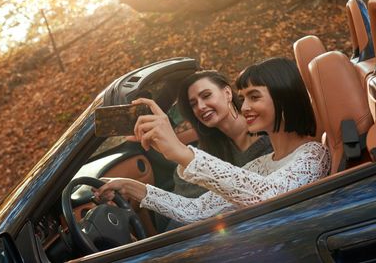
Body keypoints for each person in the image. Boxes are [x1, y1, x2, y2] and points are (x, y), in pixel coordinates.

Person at [95, 57, 331, 224]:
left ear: (283, 97)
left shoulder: (314, 154)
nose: (245, 107)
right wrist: (130, 187)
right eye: (243, 98)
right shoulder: (261, 164)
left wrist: (180, 151)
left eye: (254, 97)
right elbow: (196, 209)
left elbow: (266, 197)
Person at [170, 70, 272, 199]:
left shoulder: (267, 135)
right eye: (194, 104)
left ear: (227, 93)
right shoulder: (211, 145)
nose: (200, 107)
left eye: (206, 95)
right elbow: (183, 191)